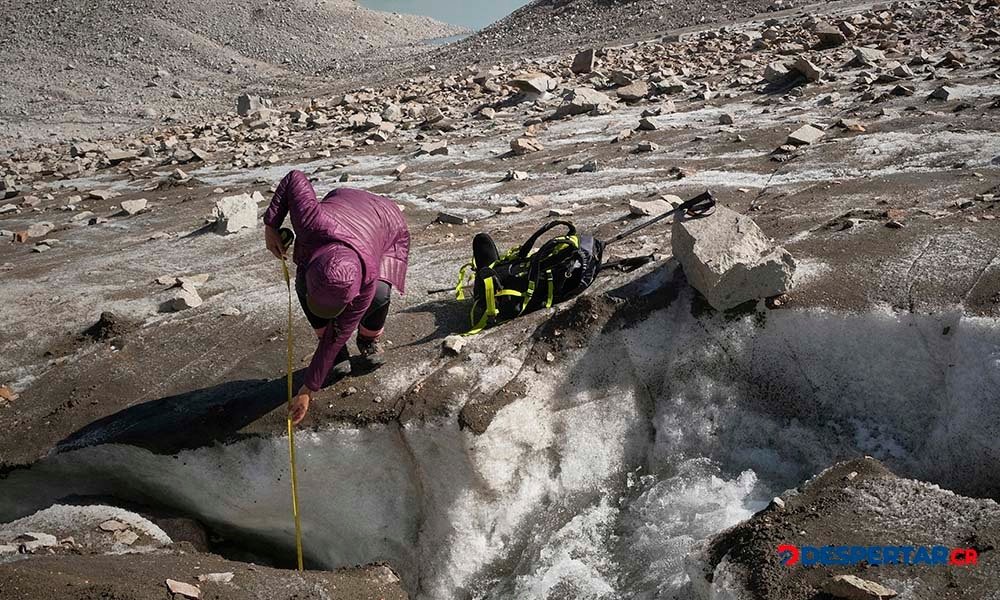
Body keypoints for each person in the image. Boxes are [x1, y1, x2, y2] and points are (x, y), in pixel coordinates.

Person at [263, 170, 409, 425]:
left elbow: (340, 330)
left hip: (386, 224)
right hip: (339, 210)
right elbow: (294, 178)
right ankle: (337, 356)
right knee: (300, 288)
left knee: (380, 295)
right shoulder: (310, 222)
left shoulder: (366, 279)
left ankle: (368, 340)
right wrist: (271, 225)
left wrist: (308, 388)